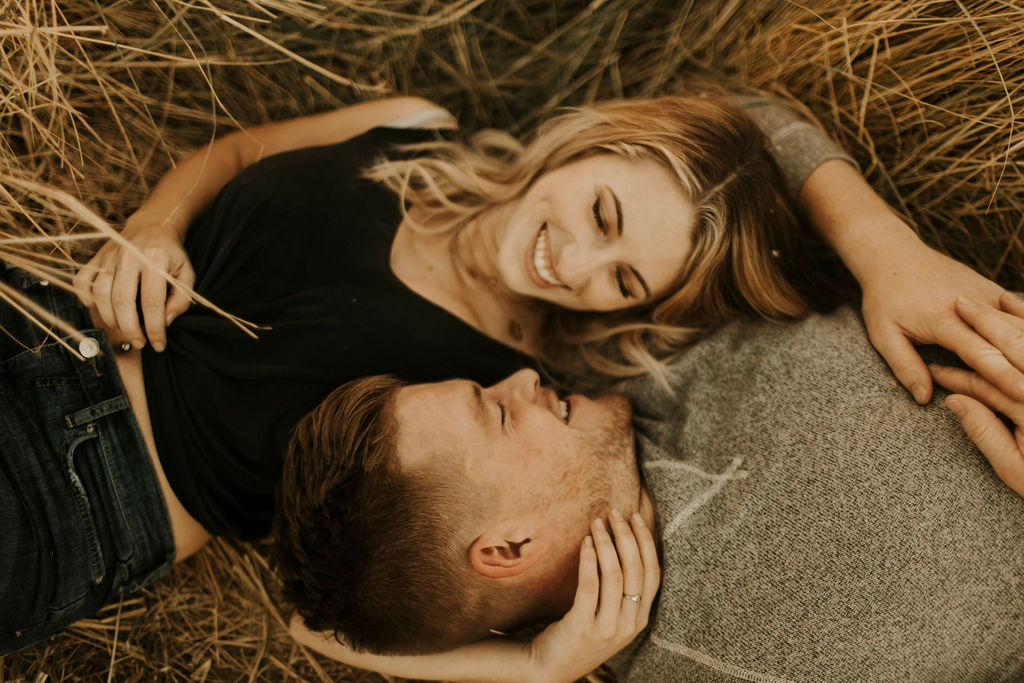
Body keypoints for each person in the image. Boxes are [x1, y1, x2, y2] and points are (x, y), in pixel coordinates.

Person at [3, 91, 1022, 656]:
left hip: (96, 495)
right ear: (589, 141)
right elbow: (236, 151)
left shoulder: (515, 380)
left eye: (621, 276)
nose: (574, 263)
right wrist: (153, 225)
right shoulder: (415, 126)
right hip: (40, 308)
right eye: (602, 212)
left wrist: (533, 665)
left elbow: (324, 615)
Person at [276, 293, 1024, 682]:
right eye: (497, 411)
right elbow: (310, 630)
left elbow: (741, 124)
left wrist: (885, 253)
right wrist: (537, 667)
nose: (524, 377)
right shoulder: (716, 662)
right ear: (508, 546)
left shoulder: (614, 364)